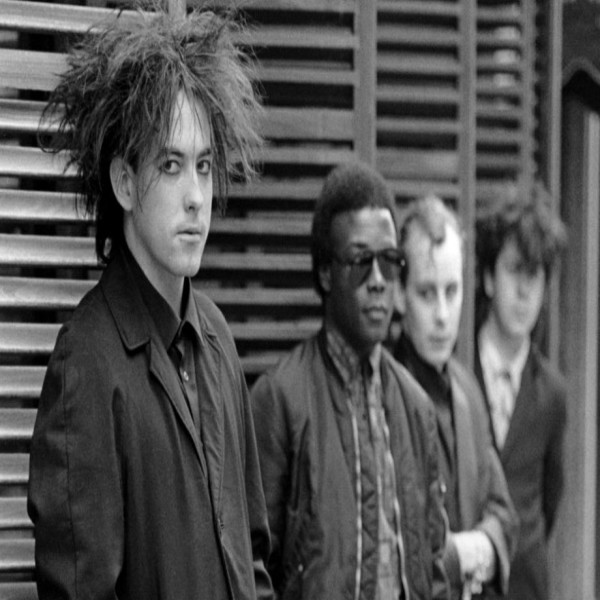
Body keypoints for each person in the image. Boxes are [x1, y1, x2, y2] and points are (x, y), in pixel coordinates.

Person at [27, 8, 273, 600]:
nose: (196, 198)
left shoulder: (215, 336)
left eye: (204, 167)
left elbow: (253, 557)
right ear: (125, 183)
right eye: (170, 165)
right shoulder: (87, 362)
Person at [250, 161, 450, 600]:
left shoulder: (417, 408)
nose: (378, 282)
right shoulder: (280, 400)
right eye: (360, 262)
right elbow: (249, 567)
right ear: (326, 272)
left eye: (390, 262)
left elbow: (434, 567)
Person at [393, 195, 518, 600]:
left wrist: (475, 549)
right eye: (427, 293)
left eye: (452, 291)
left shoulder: (467, 389)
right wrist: (458, 556)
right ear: (399, 295)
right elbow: (391, 542)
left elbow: (504, 515)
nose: (443, 315)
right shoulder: (383, 393)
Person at [474, 183, 567, 600]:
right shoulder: (456, 372)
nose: (524, 292)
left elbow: (550, 498)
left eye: (535, 275)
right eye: (514, 270)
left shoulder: (553, 393)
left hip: (527, 586)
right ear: (489, 278)